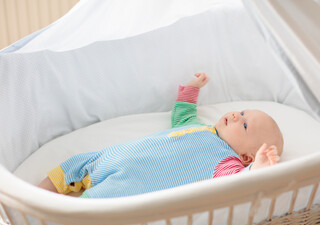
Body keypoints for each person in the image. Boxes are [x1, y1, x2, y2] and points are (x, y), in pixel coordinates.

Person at [38, 73, 283, 198]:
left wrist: (258, 170)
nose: (237, 116)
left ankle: (42, 224)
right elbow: (183, 112)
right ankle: (34, 196)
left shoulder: (227, 164)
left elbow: (238, 183)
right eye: (241, 112)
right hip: (115, 157)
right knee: (77, 163)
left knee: (89, 210)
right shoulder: (199, 126)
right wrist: (191, 89)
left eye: (245, 126)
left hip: (131, 186)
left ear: (247, 156)